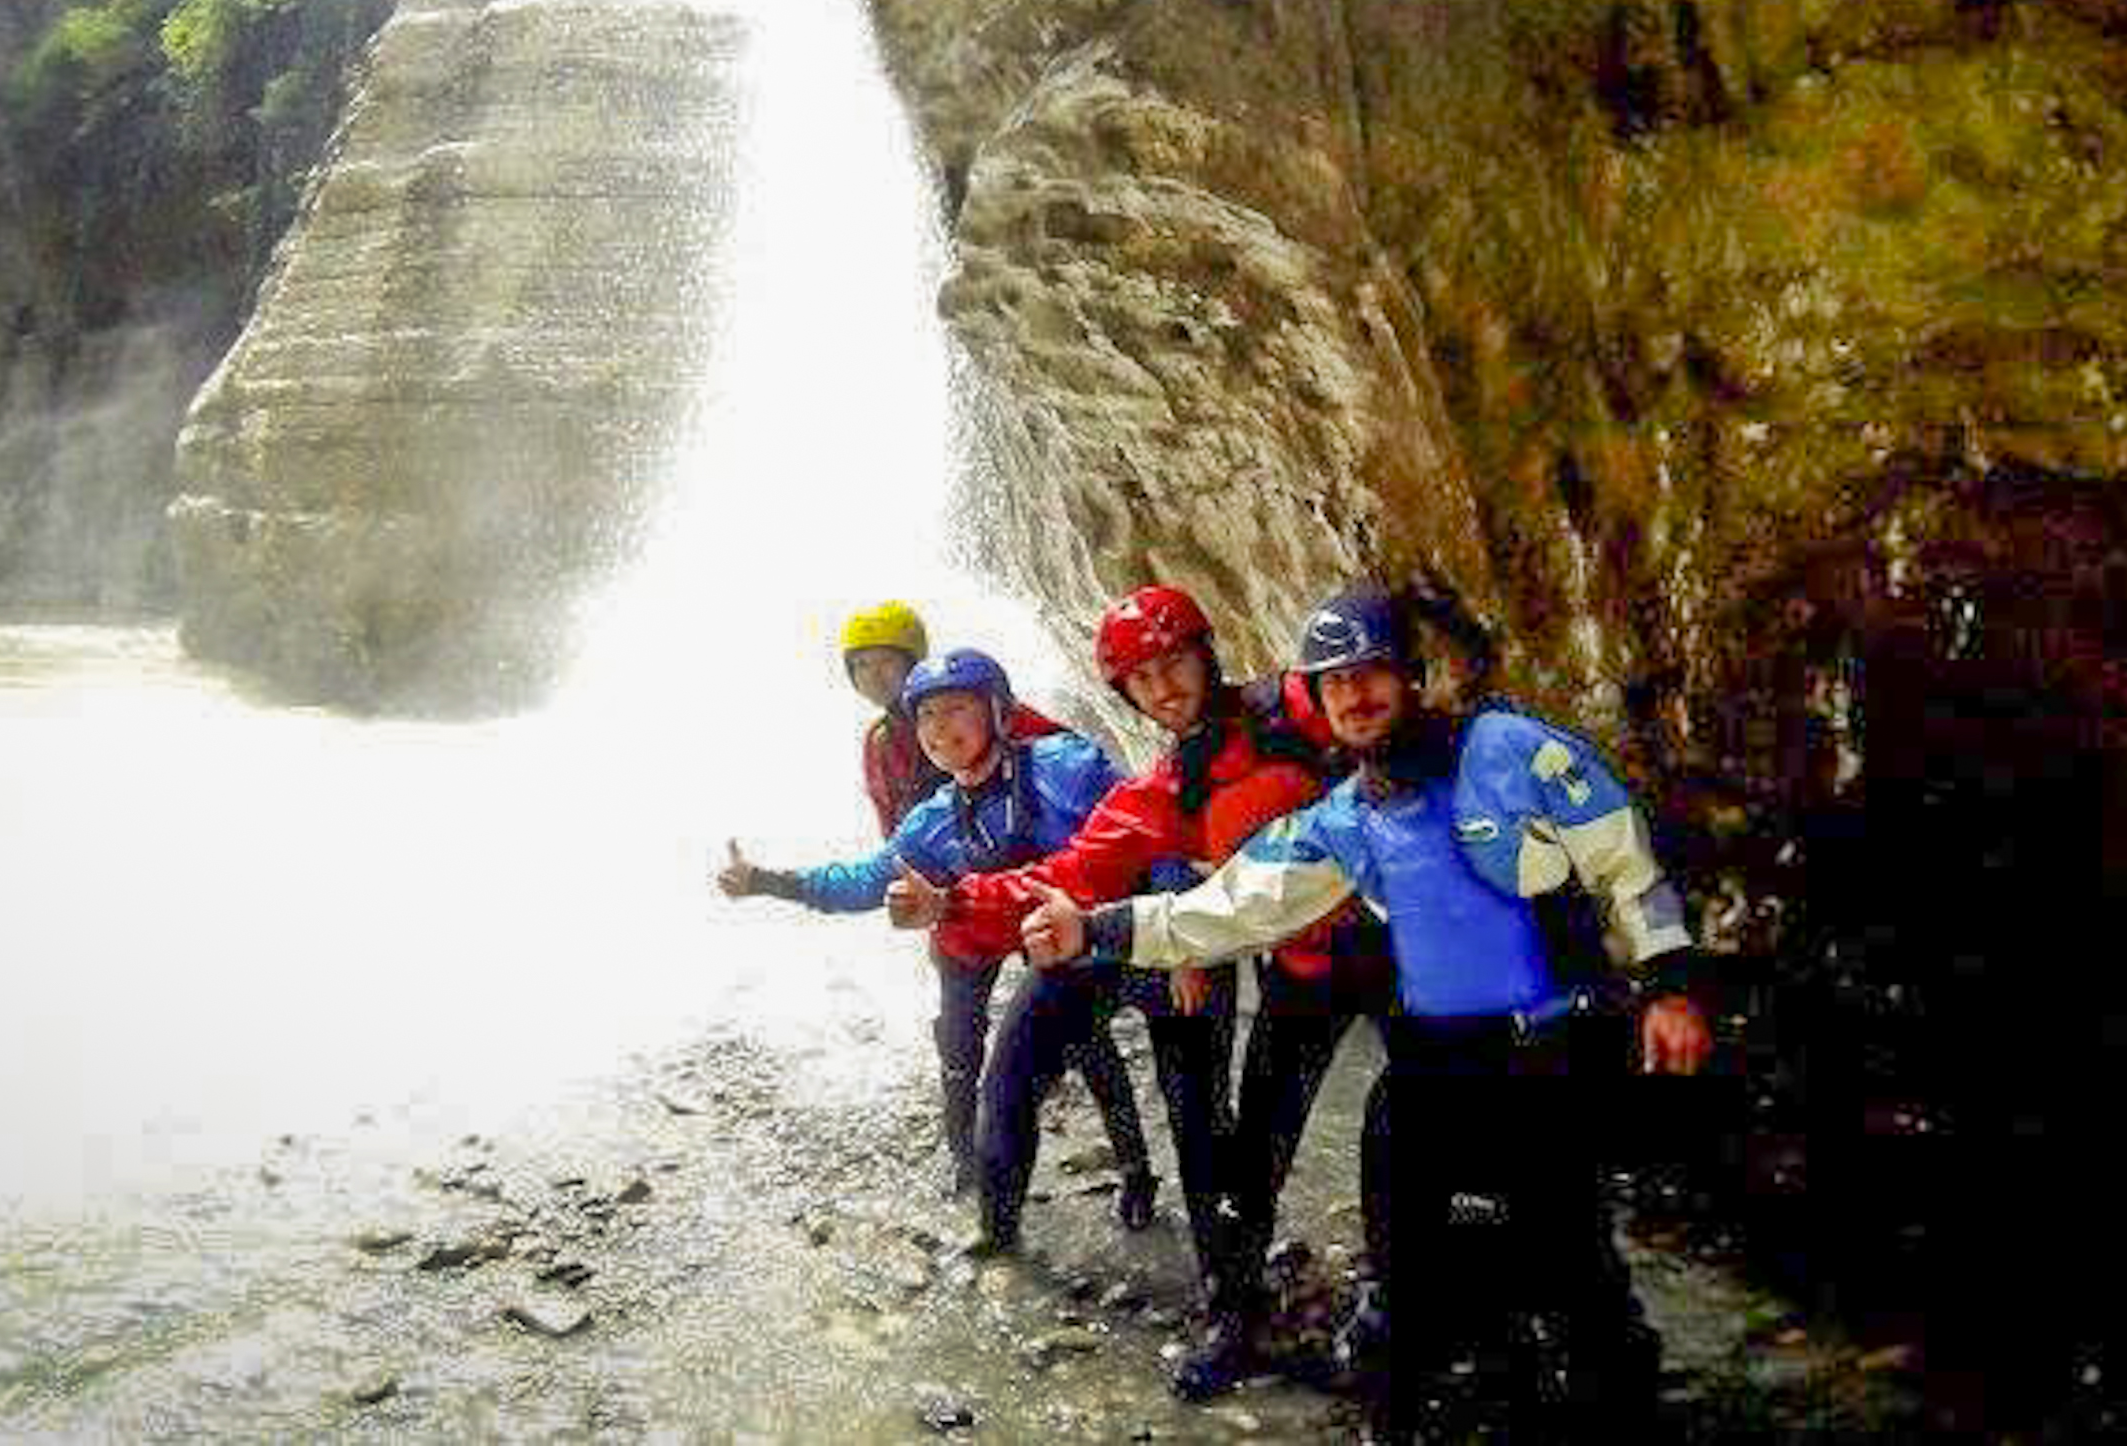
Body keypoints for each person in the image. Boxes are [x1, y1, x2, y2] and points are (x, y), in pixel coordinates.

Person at [1022, 588, 1725, 1434]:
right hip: (1430, 1061)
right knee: (1403, 1240)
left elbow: (1625, 864)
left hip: (1547, 1049)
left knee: (1564, 1253)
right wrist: (1092, 927)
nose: (1354, 698)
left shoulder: (1509, 752)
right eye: (1335, 684)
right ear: (1316, 704)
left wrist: (1671, 984)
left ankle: (1607, 1393)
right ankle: (1414, 1396)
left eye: (1371, 675)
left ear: (1413, 677)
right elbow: (1229, 905)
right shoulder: (1344, 820)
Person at [905, 584, 1393, 1399]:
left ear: (1205, 655)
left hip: (1400, 949)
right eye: (1141, 677)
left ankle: (1392, 1313)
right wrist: (956, 901)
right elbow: (1072, 872)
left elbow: (1385, 712)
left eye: (1173, 663)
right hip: (1302, 972)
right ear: (1125, 693)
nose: (1163, 688)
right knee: (1246, 1159)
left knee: (1406, 1126)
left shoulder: (1298, 705)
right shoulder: (1169, 787)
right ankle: (1235, 1316)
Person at [720, 646, 1174, 1244]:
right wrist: (767, 883)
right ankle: (989, 1212)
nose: (939, 730)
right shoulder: (933, 820)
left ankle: (1139, 1173)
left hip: (1103, 933)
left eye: (956, 710)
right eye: (928, 717)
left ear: (996, 712)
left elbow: (1153, 834)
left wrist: (1178, 940)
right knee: (986, 1066)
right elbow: (864, 881)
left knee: (1116, 1060)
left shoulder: (1067, 766)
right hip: (1013, 940)